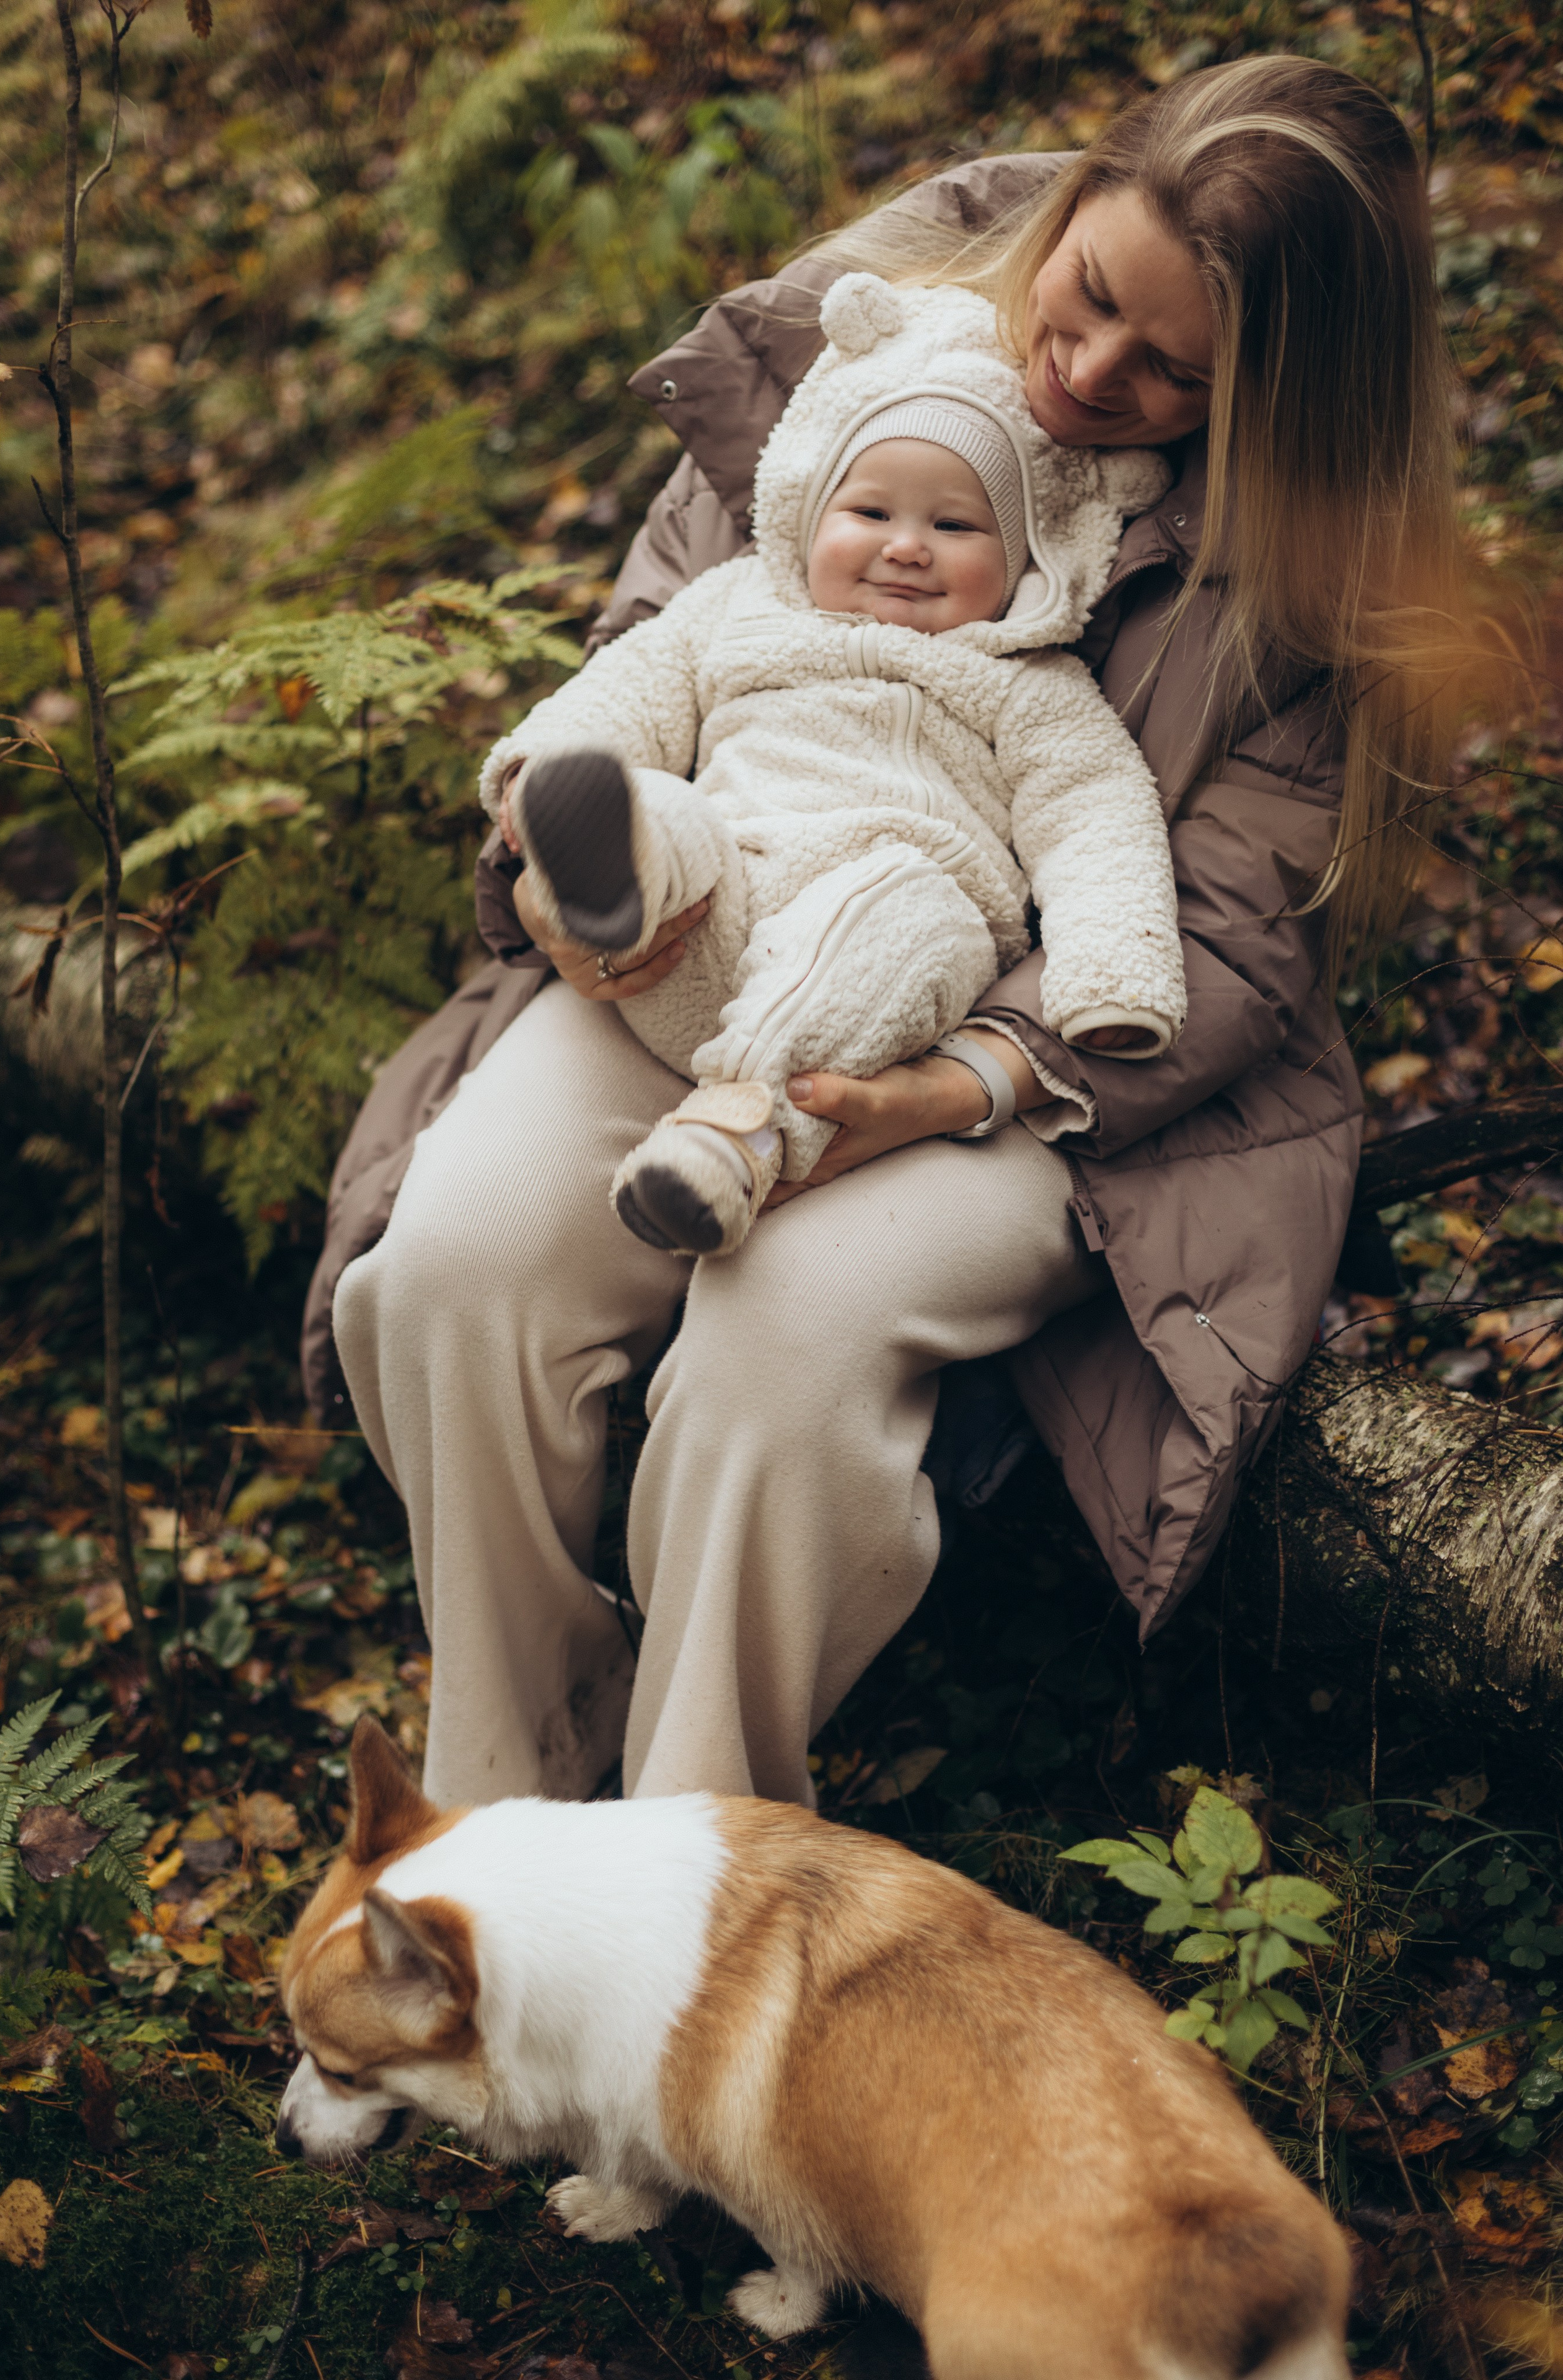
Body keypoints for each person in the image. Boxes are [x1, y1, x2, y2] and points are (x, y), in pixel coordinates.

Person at [313, 56, 1480, 1810]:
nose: (1092, 378)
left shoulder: (1308, 585)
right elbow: (644, 661)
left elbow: (1234, 948)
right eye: (1088, 302)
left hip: (1062, 1062)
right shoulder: (844, 360)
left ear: (1278, 401)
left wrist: (939, 1088)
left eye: (1175, 373)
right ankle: (513, 1785)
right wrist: (576, 896)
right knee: (457, 1270)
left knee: (781, 1339)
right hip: (710, 932)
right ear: (1069, 216)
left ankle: (696, 1860)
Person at [483, 271, 1184, 1259]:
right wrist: (538, 782)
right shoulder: (736, 605)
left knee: (911, 911)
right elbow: (629, 687)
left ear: (1024, 562)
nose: (907, 548)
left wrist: (1113, 978)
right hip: (688, 932)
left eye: (955, 527)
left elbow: (1097, 813)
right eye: (870, 513)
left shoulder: (1029, 682)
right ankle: (607, 874)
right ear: (808, 512)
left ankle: (723, 1143)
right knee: (658, 810)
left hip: (872, 987)